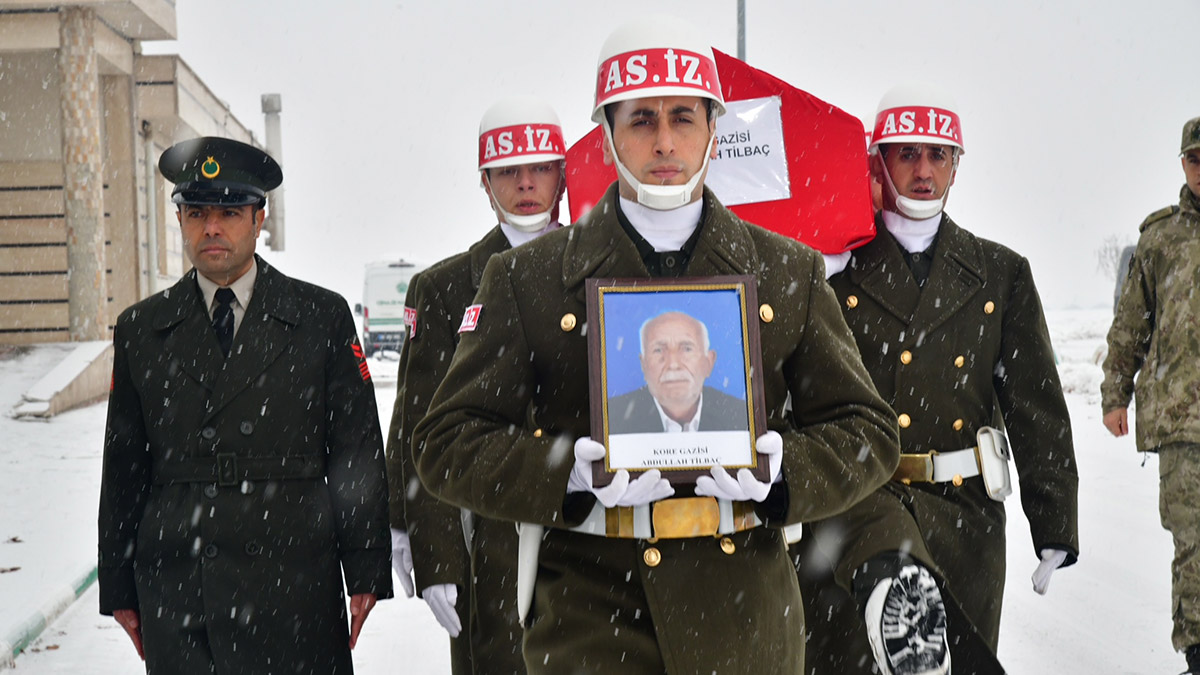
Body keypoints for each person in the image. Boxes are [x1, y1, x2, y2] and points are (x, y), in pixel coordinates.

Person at [413, 16, 899, 674]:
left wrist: (786, 470)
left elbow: (868, 430)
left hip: (745, 622)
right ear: (607, 133)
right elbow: (446, 441)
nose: (665, 141)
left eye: (683, 118)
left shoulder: (788, 271)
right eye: (641, 119)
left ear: (714, 128)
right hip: (590, 616)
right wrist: (564, 473)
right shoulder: (528, 278)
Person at [798, 83, 1080, 675]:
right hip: (854, 521)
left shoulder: (1000, 274)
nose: (923, 171)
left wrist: (1054, 521)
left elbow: (1035, 406)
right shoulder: (830, 271)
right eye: (906, 153)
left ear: (956, 165)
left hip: (964, 522)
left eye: (938, 154)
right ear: (877, 162)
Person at [97, 137, 393, 674]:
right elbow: (124, 466)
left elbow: (356, 450)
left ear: (259, 219)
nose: (212, 228)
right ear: (180, 220)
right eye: (197, 213)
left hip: (294, 580)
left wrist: (366, 566)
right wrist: (117, 583)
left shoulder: (320, 317)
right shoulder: (142, 329)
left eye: (230, 212)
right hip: (181, 585)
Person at [386, 96, 567, 674]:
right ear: (485, 183)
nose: (525, 184)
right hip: (487, 535)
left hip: (586, 519)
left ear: (564, 174)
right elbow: (420, 423)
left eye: (540, 167)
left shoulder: (602, 269)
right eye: (508, 171)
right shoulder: (443, 288)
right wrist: (433, 550)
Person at [1102, 115, 1200, 675]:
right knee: (1194, 545)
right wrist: (1115, 394)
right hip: (1183, 423)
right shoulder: (1160, 238)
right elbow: (1130, 326)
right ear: (1182, 162)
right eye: (1195, 159)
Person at [608, 310, 747, 434]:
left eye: (687, 349)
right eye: (658, 350)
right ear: (643, 365)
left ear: (708, 362)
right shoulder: (611, 418)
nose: (673, 364)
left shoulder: (741, 416)